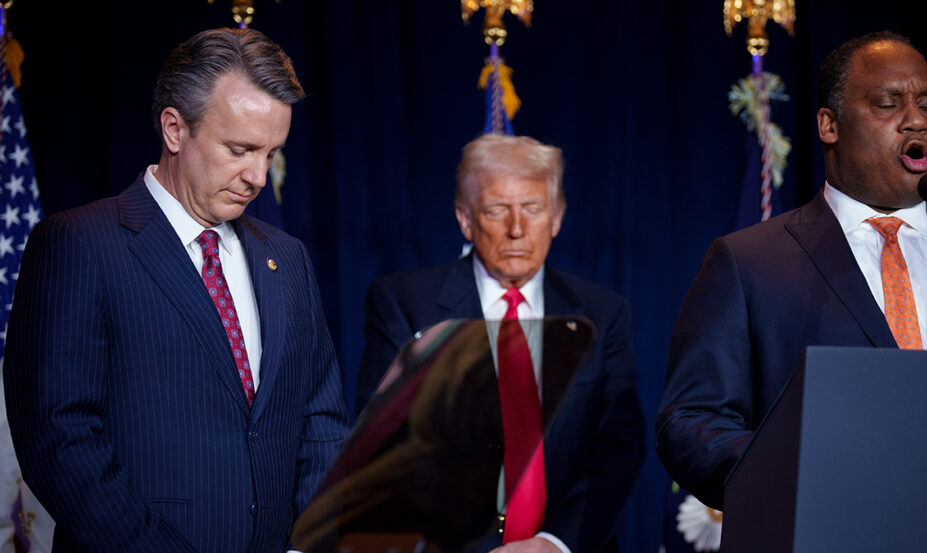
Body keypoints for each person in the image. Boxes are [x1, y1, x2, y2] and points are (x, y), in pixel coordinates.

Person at [3, 28, 349, 553]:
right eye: (240, 149)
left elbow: (320, 420)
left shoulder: (288, 258)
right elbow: (59, 439)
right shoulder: (79, 243)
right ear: (174, 128)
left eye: (272, 152)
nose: (258, 175)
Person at [656, 31, 927, 510]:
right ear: (829, 125)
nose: (916, 120)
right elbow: (690, 424)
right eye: (889, 103)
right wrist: (805, 470)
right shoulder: (749, 263)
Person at [356, 133, 646, 553]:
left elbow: (619, 446)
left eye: (533, 209)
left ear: (557, 217)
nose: (516, 229)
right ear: (465, 219)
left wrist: (554, 543)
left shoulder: (603, 313)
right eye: (496, 210)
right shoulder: (404, 304)